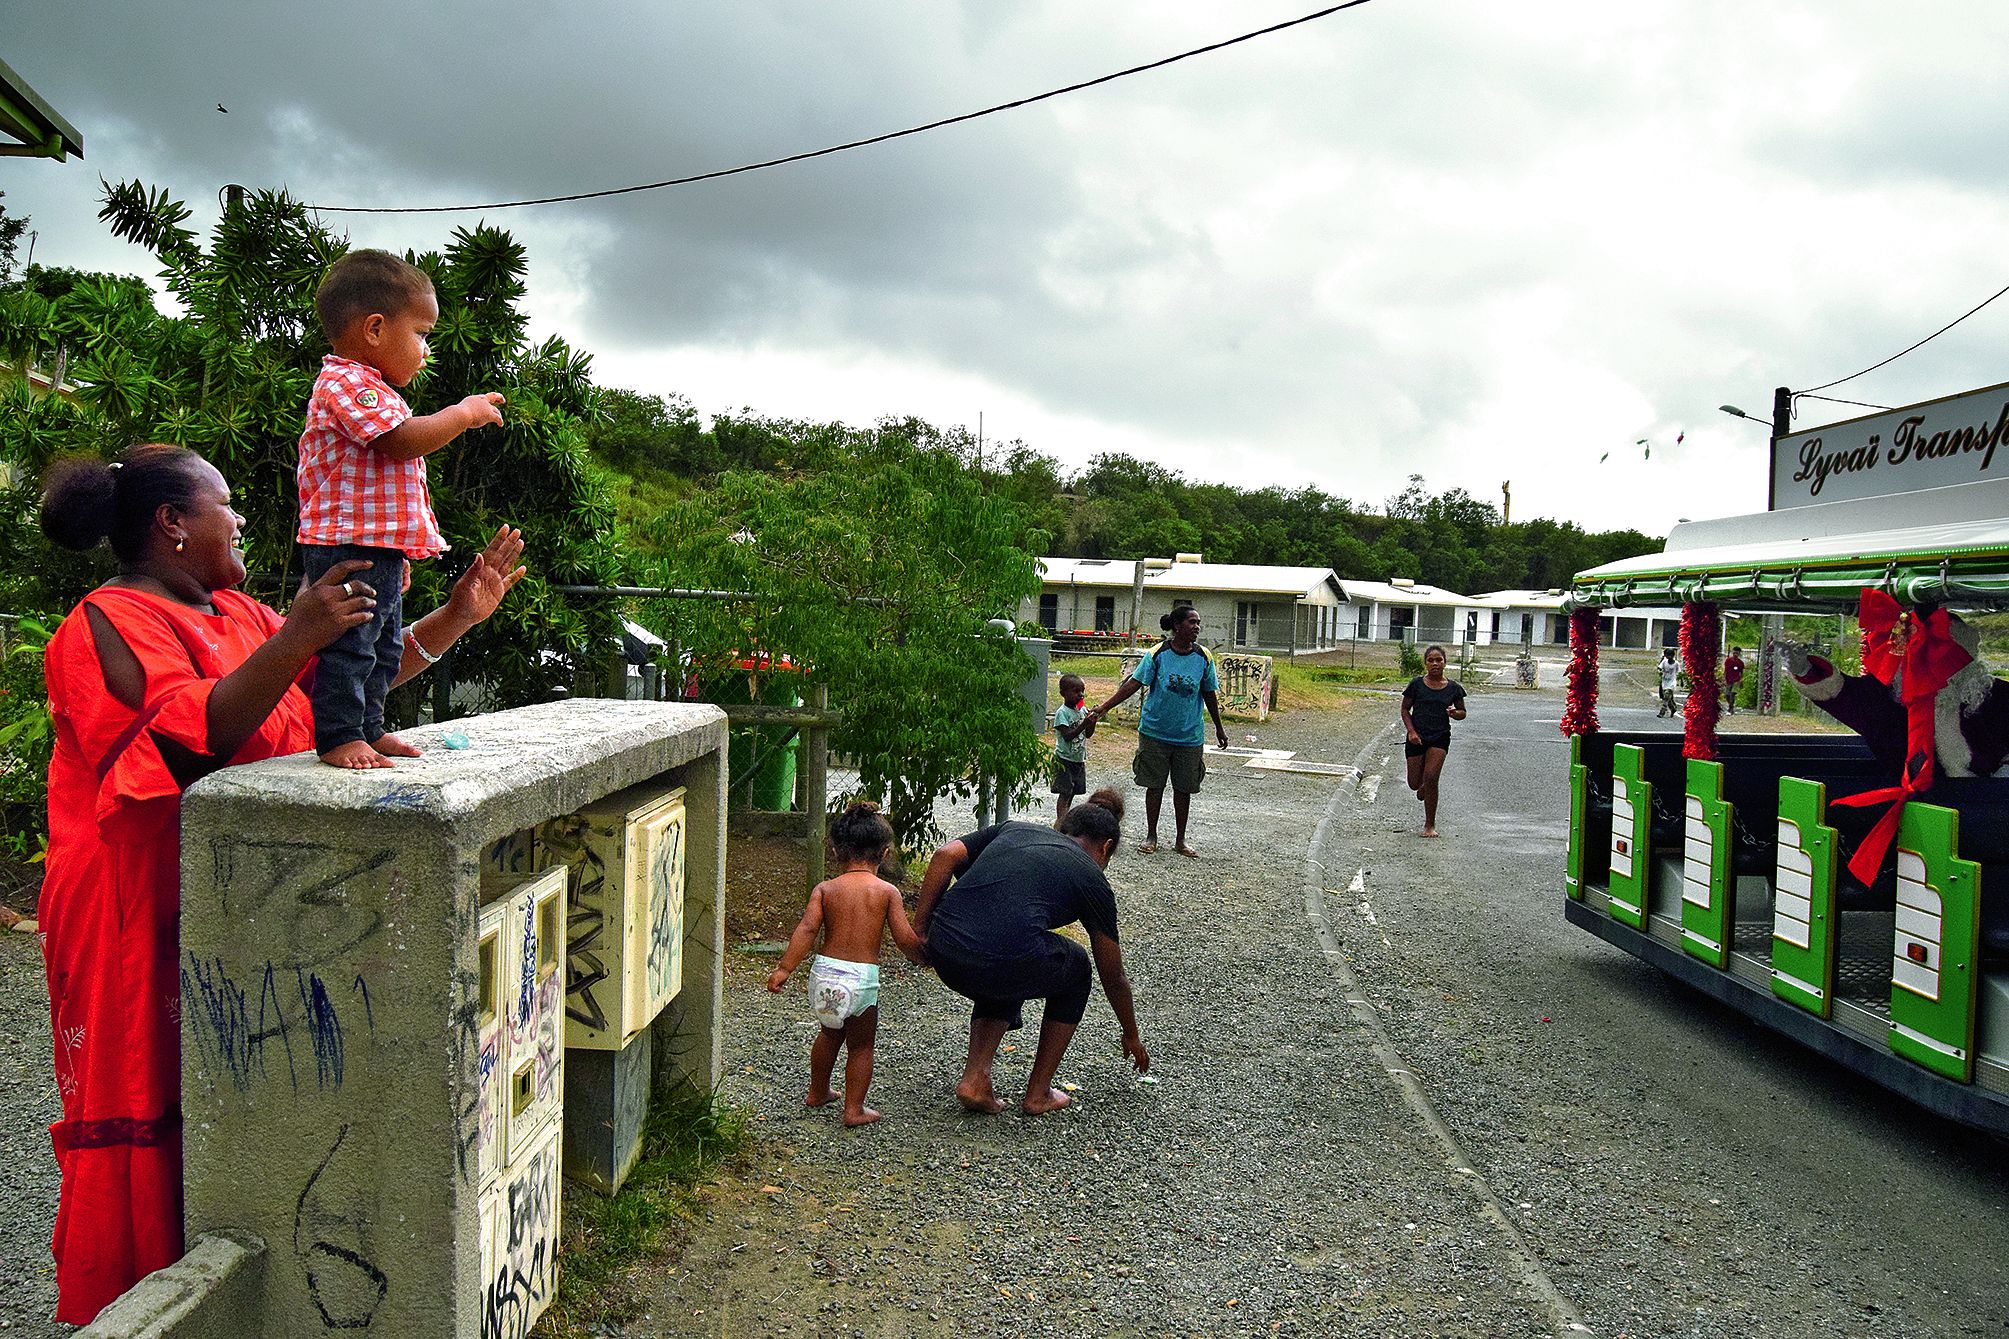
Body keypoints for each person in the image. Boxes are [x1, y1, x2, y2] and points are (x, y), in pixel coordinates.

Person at [35, 444, 526, 1324]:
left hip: (216, 885)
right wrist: (297, 631)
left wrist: (456, 614)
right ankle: (134, 1300)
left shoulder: (234, 609)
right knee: (141, 1082)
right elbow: (191, 740)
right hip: (125, 893)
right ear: (172, 524)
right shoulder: (105, 623)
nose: (242, 520)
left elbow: (336, 676)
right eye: (225, 504)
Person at [297, 248, 507, 769]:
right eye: (422, 335)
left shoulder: (373, 389)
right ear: (374, 328)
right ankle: (340, 735)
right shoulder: (346, 384)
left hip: (376, 545)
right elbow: (400, 442)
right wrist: (461, 415)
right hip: (347, 546)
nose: (426, 351)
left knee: (383, 643)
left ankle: (368, 727)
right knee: (351, 644)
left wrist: (399, 547)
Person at [913, 789, 1148, 1115]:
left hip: (944, 948)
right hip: (995, 958)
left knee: (1016, 947)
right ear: (1106, 847)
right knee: (1075, 968)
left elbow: (944, 855)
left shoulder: (1015, 828)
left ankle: (975, 1079)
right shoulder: (1092, 878)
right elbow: (1113, 974)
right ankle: (1038, 1094)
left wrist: (920, 931)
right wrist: (1131, 1033)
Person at [764, 802, 925, 1127]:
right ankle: (853, 1109)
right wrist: (924, 956)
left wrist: (784, 968)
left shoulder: (825, 889)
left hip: (824, 973)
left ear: (835, 850)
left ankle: (817, 1091)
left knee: (828, 1033)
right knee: (862, 1045)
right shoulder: (886, 892)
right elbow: (904, 937)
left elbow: (807, 930)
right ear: (886, 853)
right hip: (861, 979)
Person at [1084, 605, 1228, 856]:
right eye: (1192, 622)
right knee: (1155, 785)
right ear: (1177, 626)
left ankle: (1180, 840)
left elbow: (1209, 693)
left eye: (1198, 622)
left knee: (1184, 789)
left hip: (1189, 735)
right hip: (1155, 732)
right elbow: (1133, 684)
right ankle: (1152, 835)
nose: (1197, 627)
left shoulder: (1204, 657)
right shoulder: (1158, 654)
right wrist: (1104, 708)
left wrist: (1218, 727)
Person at [1400, 644, 1468, 838]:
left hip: (1440, 736)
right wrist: (1411, 731)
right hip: (1417, 737)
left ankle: (1429, 825)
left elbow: (1463, 712)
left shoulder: (1454, 688)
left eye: (1439, 660)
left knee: (1431, 777)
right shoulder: (1416, 685)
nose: (1435, 663)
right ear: (1425, 663)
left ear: (1445, 663)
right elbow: (1405, 709)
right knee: (1414, 783)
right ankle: (1422, 786)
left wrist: (1455, 713)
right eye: (1431, 660)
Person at [1050, 672, 1094, 822]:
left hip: (1078, 758)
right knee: (1065, 792)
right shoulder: (1062, 713)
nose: (1080, 695)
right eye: (1076, 691)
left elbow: (1088, 734)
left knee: (1073, 791)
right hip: (1065, 759)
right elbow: (1068, 736)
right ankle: (1060, 820)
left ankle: (1064, 818)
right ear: (1063, 693)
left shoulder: (1081, 709)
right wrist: (1084, 724)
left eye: (1082, 691)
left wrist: (1091, 722)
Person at [1656, 647, 1680, 717]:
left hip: (1672, 682)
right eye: (1667, 655)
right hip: (1665, 681)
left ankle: (1662, 711)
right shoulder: (1664, 662)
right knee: (1669, 698)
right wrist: (1660, 672)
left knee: (1666, 696)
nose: (1669, 657)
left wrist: (1680, 681)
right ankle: (1673, 708)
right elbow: (1659, 668)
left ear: (1673, 656)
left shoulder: (1676, 664)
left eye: (1670, 655)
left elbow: (1679, 672)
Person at [1723, 645, 1745, 714]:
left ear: (1739, 654)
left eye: (1737, 653)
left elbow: (1741, 672)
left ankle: (1730, 709)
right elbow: (1725, 670)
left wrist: (1741, 680)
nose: (1735, 654)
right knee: (1727, 695)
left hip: (1736, 680)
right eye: (1734, 653)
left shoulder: (1740, 663)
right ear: (1733, 653)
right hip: (1728, 679)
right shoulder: (1728, 660)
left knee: (1732, 694)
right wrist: (1723, 678)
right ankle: (1731, 706)